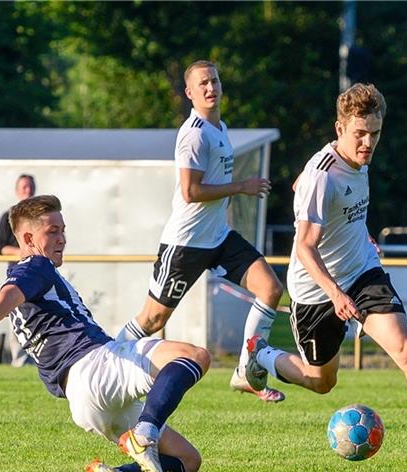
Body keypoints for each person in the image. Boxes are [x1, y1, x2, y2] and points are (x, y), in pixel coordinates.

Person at [243, 83, 407, 472]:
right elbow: (303, 247)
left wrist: (361, 236)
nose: (368, 143)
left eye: (375, 134)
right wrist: (334, 294)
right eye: (360, 134)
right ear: (340, 129)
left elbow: (311, 190)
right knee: (322, 382)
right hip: (317, 292)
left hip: (363, 274)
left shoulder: (354, 161)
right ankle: (260, 353)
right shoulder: (323, 177)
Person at [0, 195, 209, 472]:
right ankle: (144, 434)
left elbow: (7, 296)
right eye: (53, 231)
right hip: (95, 369)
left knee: (188, 460)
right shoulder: (36, 266)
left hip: (82, 402)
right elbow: (5, 297)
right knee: (195, 356)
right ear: (29, 238)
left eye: (63, 230)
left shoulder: (24, 280)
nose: (62, 239)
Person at [116, 60, 285, 403]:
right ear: (190, 93)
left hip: (219, 238)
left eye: (215, 81)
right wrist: (241, 187)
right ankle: (107, 363)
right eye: (203, 83)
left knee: (270, 288)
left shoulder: (220, 128)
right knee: (152, 319)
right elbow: (191, 191)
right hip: (186, 243)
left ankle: (246, 371)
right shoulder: (194, 134)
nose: (211, 88)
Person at [0, 173, 36, 366]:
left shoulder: (41, 217)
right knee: (17, 317)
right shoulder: (9, 216)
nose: (28, 190)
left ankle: (41, 361)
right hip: (17, 275)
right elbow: (0, 247)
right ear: (17, 190)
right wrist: (23, 252)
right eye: (24, 187)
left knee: (39, 316)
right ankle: (19, 361)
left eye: (30, 187)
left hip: (39, 273)